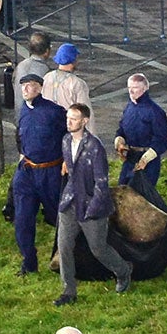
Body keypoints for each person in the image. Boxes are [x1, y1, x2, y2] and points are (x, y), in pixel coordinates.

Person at [56, 102, 131, 303]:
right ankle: (68, 291)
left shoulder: (94, 146)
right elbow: (72, 173)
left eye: (73, 118)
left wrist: (92, 209)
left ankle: (123, 270)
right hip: (70, 201)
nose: (69, 122)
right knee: (63, 247)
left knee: (98, 249)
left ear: (85, 121)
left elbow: (101, 182)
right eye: (67, 118)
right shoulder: (65, 141)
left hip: (92, 205)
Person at [10, 68, 65, 276]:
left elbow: (68, 136)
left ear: (40, 88)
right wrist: (22, 154)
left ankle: (63, 257)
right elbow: (19, 134)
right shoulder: (23, 110)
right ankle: (28, 262)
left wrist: (67, 161)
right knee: (23, 218)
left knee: (59, 216)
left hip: (51, 172)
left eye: (31, 85)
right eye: (23, 85)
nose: (26, 89)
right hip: (27, 172)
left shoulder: (55, 112)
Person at [114, 73, 167, 199]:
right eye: (129, 88)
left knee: (141, 199)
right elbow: (121, 129)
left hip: (149, 162)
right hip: (130, 158)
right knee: (121, 194)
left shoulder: (155, 112)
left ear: (144, 89)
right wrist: (120, 143)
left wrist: (145, 159)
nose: (131, 91)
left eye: (135, 88)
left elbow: (161, 141)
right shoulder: (128, 108)